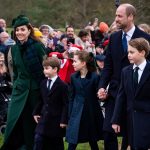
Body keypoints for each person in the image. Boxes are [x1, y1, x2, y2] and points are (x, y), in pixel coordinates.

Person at [97, 3, 150, 150]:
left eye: (119, 16)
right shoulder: (113, 38)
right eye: (116, 15)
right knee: (108, 132)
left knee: (131, 136)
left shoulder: (145, 38)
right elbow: (108, 67)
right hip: (114, 94)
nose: (116, 19)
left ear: (131, 16)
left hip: (136, 95)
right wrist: (102, 86)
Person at [1, 15, 46, 150]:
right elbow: (14, 70)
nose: (19, 32)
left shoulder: (38, 46)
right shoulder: (13, 49)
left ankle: (30, 145)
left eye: (22, 29)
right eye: (17, 30)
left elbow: (45, 68)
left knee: (30, 121)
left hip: (35, 90)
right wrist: (16, 85)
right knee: (13, 119)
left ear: (29, 30)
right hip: (19, 89)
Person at [112, 38, 150, 150]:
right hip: (131, 121)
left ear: (142, 52)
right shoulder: (126, 71)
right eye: (128, 52)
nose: (128, 55)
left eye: (132, 52)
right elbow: (121, 97)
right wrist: (116, 120)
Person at [66, 51, 103, 150]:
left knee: (92, 139)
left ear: (83, 63)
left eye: (75, 61)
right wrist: (70, 113)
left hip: (91, 111)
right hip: (77, 111)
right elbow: (71, 97)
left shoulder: (95, 77)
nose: (72, 63)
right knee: (73, 139)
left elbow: (98, 96)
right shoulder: (73, 77)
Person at [33, 56, 68, 150]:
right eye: (44, 68)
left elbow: (65, 104)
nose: (44, 70)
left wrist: (64, 120)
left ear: (55, 69)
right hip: (44, 118)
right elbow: (41, 99)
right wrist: (36, 112)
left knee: (56, 144)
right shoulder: (43, 83)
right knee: (38, 139)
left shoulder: (63, 85)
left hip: (56, 121)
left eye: (47, 68)